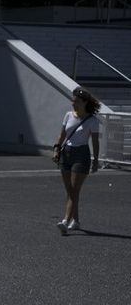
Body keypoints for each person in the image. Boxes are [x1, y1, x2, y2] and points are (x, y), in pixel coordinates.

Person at [53, 86, 101, 235]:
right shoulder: (68, 115)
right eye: (73, 100)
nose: (73, 103)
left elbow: (95, 142)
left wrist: (96, 160)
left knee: (74, 190)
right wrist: (56, 149)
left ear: (85, 102)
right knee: (70, 191)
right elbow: (61, 135)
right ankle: (77, 221)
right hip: (66, 153)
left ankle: (66, 221)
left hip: (81, 154)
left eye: (77, 101)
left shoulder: (92, 121)